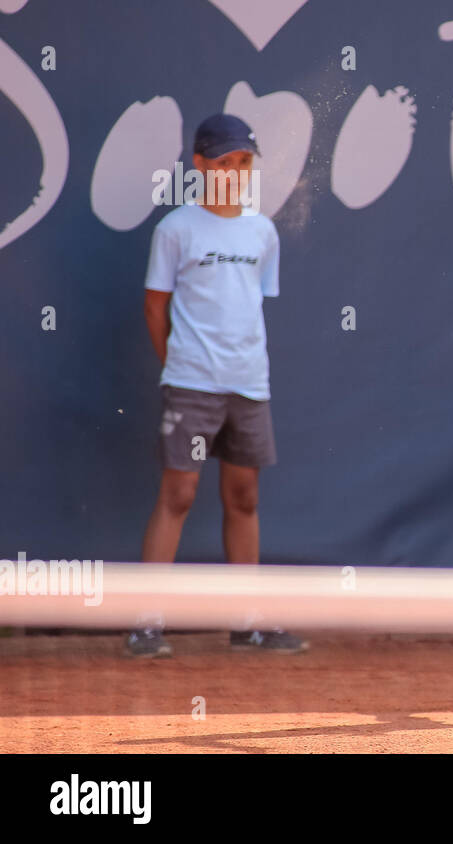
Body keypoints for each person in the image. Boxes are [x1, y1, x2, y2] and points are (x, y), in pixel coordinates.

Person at [124, 113, 307, 658]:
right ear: (200, 165)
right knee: (178, 494)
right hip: (190, 386)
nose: (235, 171)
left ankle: (246, 621)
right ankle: (145, 622)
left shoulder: (262, 231)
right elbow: (155, 307)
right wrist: (180, 366)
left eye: (244, 162)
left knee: (244, 497)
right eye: (225, 161)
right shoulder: (175, 229)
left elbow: (250, 306)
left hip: (249, 386)